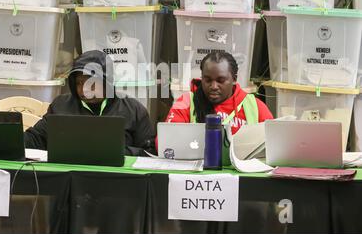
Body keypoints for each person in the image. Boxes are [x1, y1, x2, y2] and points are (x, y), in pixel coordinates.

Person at [24, 50, 155, 156]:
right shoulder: (60, 105)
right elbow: (36, 138)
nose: (83, 89)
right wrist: (11, 141)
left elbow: (150, 153)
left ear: (107, 82)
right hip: (70, 177)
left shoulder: (134, 110)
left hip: (116, 179)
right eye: (79, 83)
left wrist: (118, 153)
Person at [166, 51, 273, 134]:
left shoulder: (256, 106)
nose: (213, 86)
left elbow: (272, 142)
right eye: (207, 80)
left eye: (220, 81)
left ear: (234, 79)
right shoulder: (185, 102)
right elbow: (165, 140)